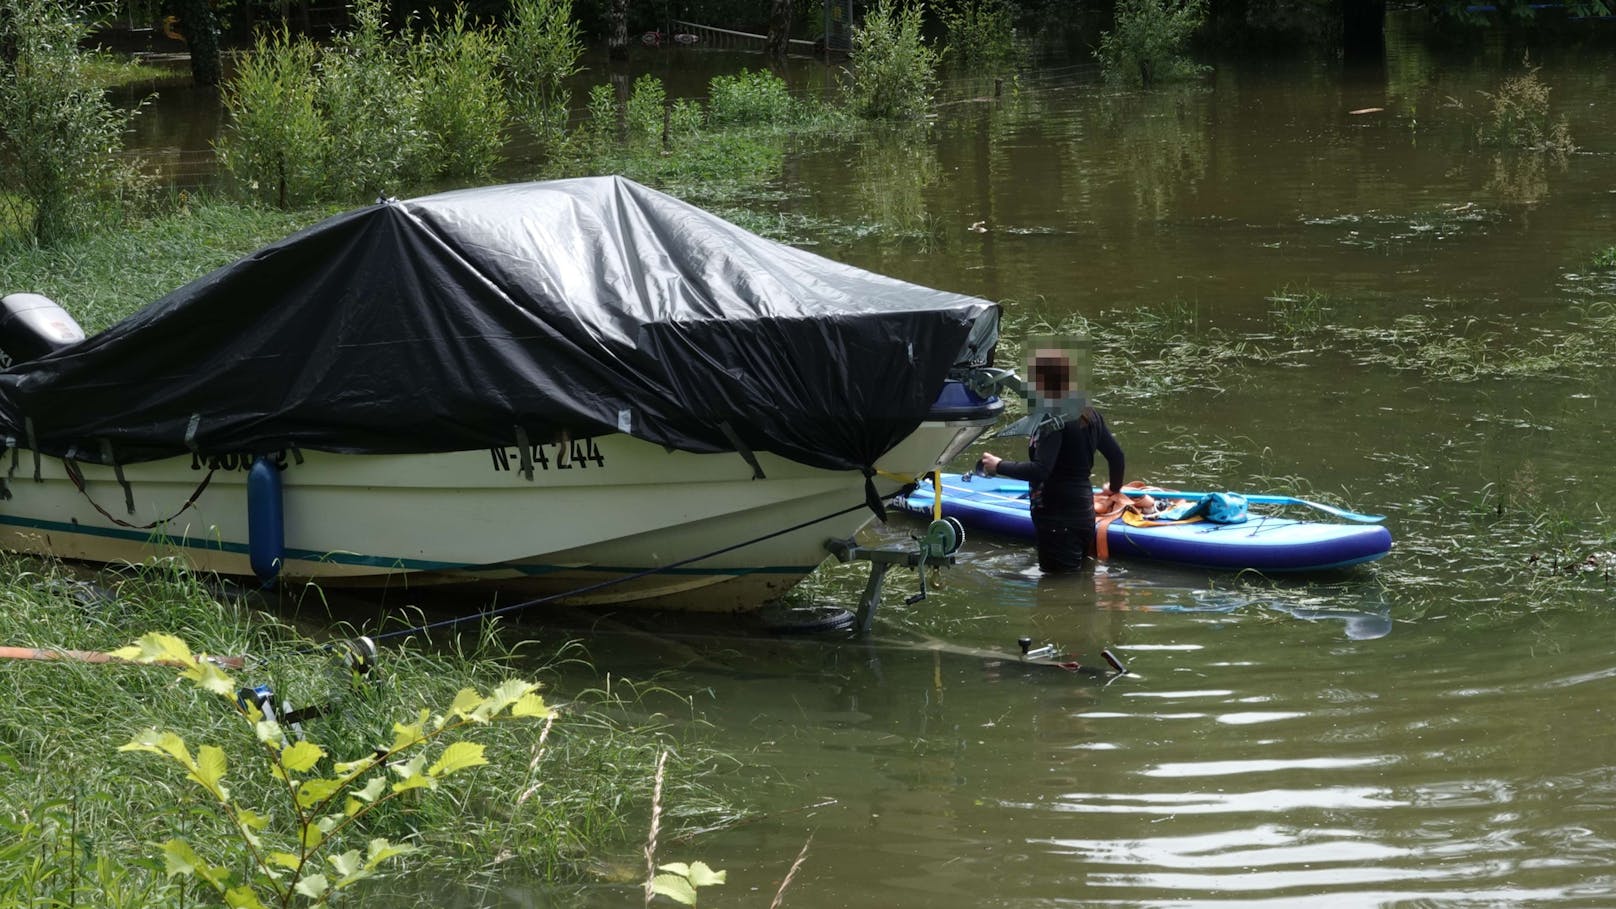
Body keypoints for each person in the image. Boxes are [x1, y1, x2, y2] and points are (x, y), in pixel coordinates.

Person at [979, 344, 1125, 573]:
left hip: (1058, 521)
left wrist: (998, 466)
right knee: (1081, 588)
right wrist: (1114, 491)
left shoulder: (1052, 421)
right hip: (1084, 516)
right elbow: (1117, 457)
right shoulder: (1089, 413)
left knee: (1056, 591)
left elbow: (1040, 470)